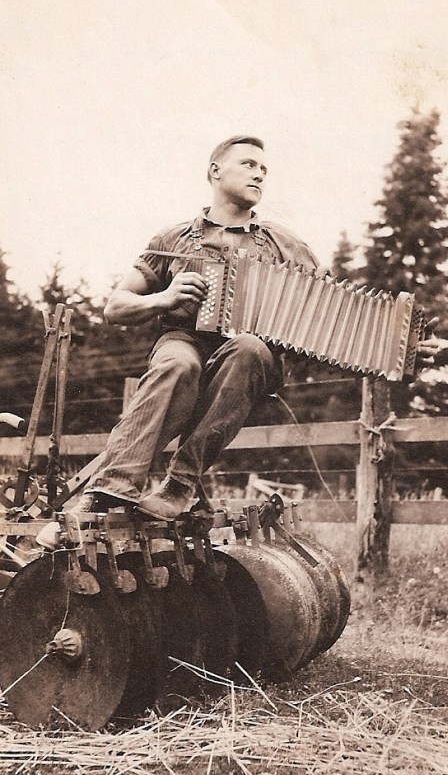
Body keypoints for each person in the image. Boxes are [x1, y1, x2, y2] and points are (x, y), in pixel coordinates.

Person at [77, 136, 322, 520]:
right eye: (248, 164)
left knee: (248, 347)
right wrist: (164, 299)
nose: (259, 173)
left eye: (264, 169)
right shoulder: (173, 239)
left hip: (248, 358)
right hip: (184, 340)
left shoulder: (285, 245)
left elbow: (337, 312)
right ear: (215, 171)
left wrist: (400, 347)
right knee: (178, 363)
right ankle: (111, 490)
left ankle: (180, 485)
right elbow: (115, 306)